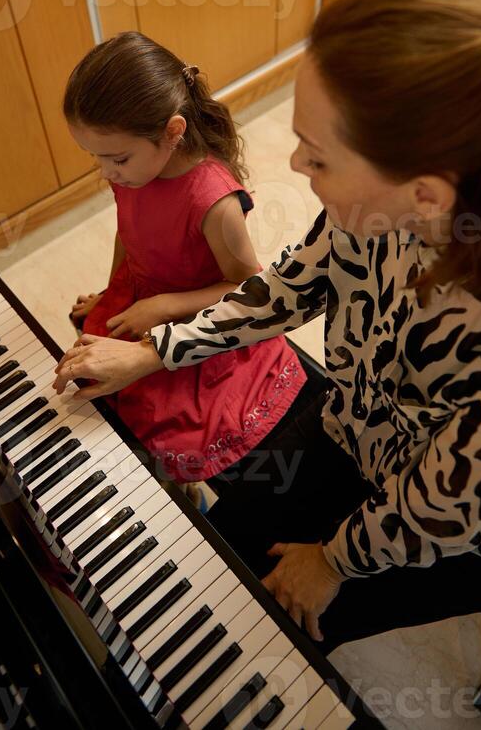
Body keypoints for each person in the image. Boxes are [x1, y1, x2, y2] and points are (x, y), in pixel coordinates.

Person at [53, 0, 481, 652]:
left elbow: (449, 503)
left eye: (317, 156)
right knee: (206, 560)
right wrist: (156, 351)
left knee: (255, 634)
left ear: (428, 195)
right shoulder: (368, 214)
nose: (293, 165)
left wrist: (333, 559)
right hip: (361, 435)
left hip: (450, 529)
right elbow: (287, 287)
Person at [60, 30, 308, 486]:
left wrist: (164, 306)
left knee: (175, 436)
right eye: (96, 158)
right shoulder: (133, 172)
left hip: (199, 318)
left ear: (173, 132)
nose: (107, 172)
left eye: (116, 159)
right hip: (146, 295)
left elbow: (247, 288)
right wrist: (112, 290)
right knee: (93, 376)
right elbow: (128, 233)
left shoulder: (214, 200)